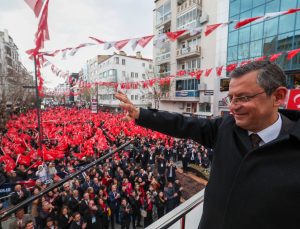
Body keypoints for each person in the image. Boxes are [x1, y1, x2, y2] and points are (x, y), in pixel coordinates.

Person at [115, 61, 300, 229]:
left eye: (244, 98)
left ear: (278, 96)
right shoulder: (226, 127)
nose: (233, 107)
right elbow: (182, 124)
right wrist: (140, 114)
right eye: (231, 98)